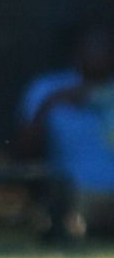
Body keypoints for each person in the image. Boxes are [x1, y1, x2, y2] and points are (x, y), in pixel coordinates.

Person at [16, 23, 114, 242]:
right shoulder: (47, 88)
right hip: (74, 194)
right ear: (77, 49)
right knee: (74, 211)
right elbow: (24, 150)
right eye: (95, 45)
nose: (103, 51)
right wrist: (53, 103)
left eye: (108, 45)